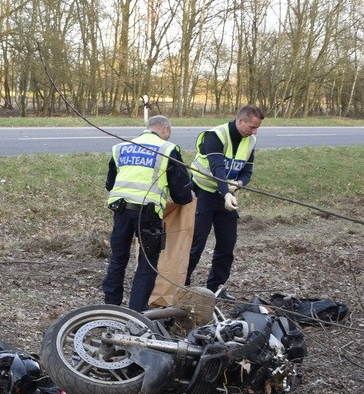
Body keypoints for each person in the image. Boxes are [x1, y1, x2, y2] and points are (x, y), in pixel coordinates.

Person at [102, 115, 192, 311]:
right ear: (165, 130)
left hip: (121, 211)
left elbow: (110, 184)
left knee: (118, 259)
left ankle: (110, 308)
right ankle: (136, 314)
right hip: (149, 215)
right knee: (147, 265)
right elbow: (182, 196)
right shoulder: (167, 150)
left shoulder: (121, 148)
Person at [185, 104, 264, 296]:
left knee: (227, 244)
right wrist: (226, 193)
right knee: (196, 243)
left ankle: (214, 289)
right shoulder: (215, 136)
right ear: (240, 120)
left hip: (226, 194)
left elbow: (247, 171)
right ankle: (181, 284)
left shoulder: (250, 141)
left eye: (257, 128)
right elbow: (217, 168)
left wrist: (238, 183)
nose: (254, 131)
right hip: (202, 192)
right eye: (252, 127)